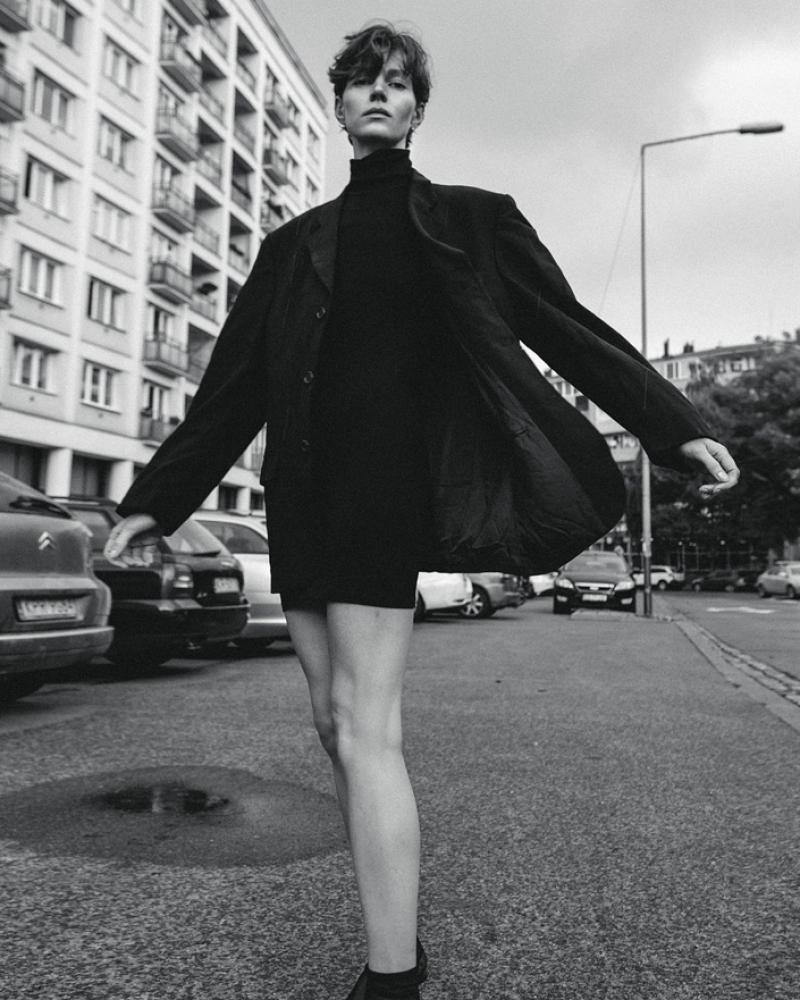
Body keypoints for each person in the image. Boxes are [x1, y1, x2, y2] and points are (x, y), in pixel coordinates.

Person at [104, 22, 739, 1000]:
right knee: (333, 723)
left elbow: (568, 330)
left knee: (367, 727)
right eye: (361, 80)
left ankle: (391, 973)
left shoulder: (473, 221)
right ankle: (394, 924)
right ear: (338, 103)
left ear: (415, 109)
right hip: (302, 494)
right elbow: (230, 394)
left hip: (386, 489)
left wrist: (672, 425)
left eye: (396, 83)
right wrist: (155, 503)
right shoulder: (289, 247)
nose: (377, 94)